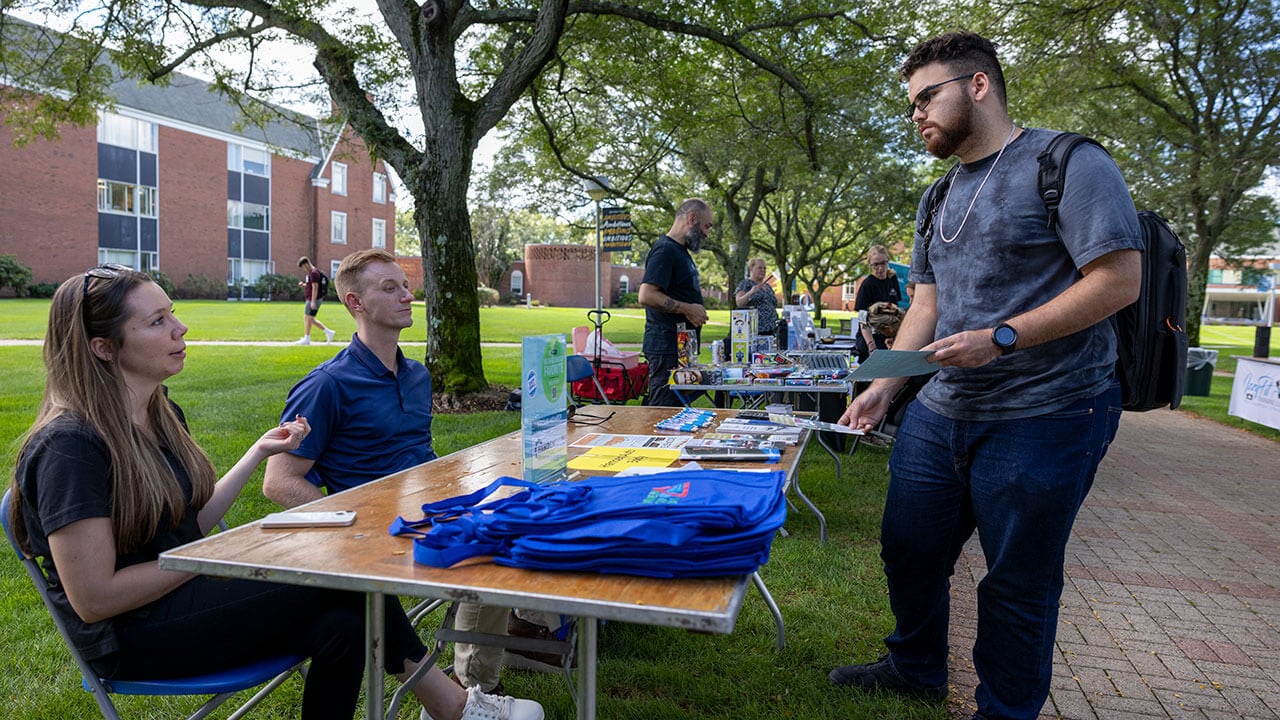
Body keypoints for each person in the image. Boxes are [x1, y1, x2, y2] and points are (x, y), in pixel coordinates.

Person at [9, 264, 542, 720]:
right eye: (157, 321)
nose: (181, 326)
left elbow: (186, 527)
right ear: (103, 347)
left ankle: (449, 706)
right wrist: (215, 557)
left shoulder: (157, 412)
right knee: (336, 577)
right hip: (134, 636)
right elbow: (95, 598)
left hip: (180, 596)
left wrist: (255, 455)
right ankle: (451, 706)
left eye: (172, 312)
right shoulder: (69, 447)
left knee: (341, 623)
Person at [831, 31, 1142, 720]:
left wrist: (1003, 339)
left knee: (1017, 583)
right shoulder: (938, 196)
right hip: (944, 407)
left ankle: (1004, 709)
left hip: (1051, 409)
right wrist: (887, 385)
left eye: (926, 98)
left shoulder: (1068, 161)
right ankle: (915, 669)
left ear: (978, 86)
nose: (916, 115)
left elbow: (1119, 280)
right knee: (909, 547)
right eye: (910, 105)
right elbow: (929, 307)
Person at [264, 249, 535, 699]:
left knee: (516, 518)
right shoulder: (326, 385)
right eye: (389, 288)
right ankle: (467, 695)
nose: (407, 296)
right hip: (375, 533)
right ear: (355, 303)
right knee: (488, 549)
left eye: (405, 286)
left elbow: (417, 455)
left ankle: (482, 677)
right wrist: (355, 520)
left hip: (431, 511)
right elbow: (279, 482)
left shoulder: (417, 375)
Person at [639, 198, 712, 407]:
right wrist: (688, 309)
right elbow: (646, 295)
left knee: (677, 412)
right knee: (663, 410)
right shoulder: (664, 250)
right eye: (706, 226)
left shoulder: (681, 252)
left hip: (681, 348)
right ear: (692, 218)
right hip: (666, 348)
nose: (707, 233)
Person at [853, 245, 902, 362]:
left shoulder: (892, 279)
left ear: (887, 261)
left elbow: (896, 311)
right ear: (870, 264)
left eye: (883, 263)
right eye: (875, 265)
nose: (880, 268)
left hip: (888, 334)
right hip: (870, 336)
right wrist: (871, 347)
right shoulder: (867, 285)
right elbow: (862, 320)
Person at [294, 256, 336, 345]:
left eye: (303, 267)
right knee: (311, 319)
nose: (303, 269)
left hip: (313, 299)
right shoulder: (312, 273)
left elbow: (315, 287)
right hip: (312, 298)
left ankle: (307, 338)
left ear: (306, 264)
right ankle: (328, 332)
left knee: (307, 318)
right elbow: (311, 285)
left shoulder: (314, 273)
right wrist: (304, 285)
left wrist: (313, 301)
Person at [734, 258, 779, 338]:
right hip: (757, 331)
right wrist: (751, 292)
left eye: (764, 268)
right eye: (759, 268)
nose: (763, 270)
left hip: (773, 330)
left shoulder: (768, 287)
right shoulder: (745, 284)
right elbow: (739, 303)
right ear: (751, 269)